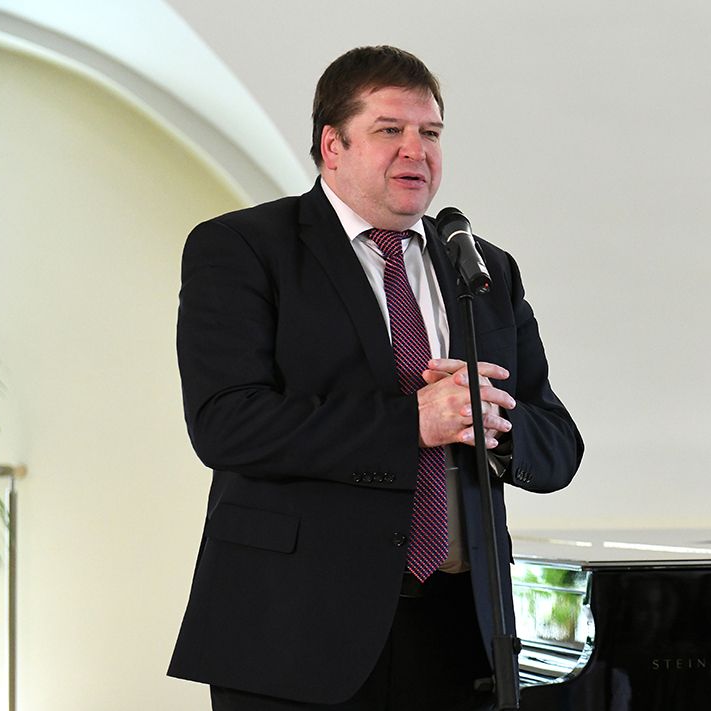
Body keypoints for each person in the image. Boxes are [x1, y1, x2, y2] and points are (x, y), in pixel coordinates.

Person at [168, 45, 584, 710]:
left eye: (431, 133)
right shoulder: (242, 248)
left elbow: (557, 443)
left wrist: (495, 424)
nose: (416, 150)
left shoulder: (483, 268)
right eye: (390, 129)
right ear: (332, 145)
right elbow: (227, 423)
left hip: (460, 632)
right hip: (295, 628)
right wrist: (412, 421)